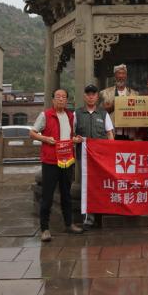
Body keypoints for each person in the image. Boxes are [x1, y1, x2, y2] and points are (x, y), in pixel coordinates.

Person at [30, 89, 84, 242]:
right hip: (50, 161)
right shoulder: (45, 115)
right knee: (47, 195)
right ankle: (45, 229)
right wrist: (46, 139)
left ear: (67, 100)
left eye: (64, 97)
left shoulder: (70, 116)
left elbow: (71, 135)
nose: (61, 99)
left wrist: (75, 139)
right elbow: (32, 133)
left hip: (67, 161)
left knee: (66, 194)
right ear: (53, 100)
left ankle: (69, 224)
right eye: (58, 97)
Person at [74, 84, 115, 229]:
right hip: (84, 158)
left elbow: (109, 134)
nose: (91, 97)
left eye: (93, 94)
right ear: (84, 96)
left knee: (103, 184)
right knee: (87, 187)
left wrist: (111, 152)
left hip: (101, 159)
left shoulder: (103, 114)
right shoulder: (77, 114)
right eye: (88, 94)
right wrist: (76, 139)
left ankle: (103, 214)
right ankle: (89, 219)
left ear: (97, 97)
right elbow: (72, 135)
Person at [100, 64, 138, 140]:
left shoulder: (134, 94)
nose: (121, 76)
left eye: (123, 73)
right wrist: (113, 106)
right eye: (119, 73)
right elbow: (100, 112)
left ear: (126, 76)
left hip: (129, 133)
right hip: (113, 133)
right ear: (115, 76)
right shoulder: (105, 93)